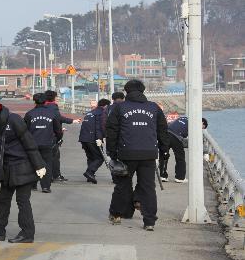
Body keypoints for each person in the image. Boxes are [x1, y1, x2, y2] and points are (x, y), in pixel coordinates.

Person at [0, 94, 46, 243]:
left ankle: (27, 233)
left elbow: (29, 143)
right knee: (3, 200)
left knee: (22, 201)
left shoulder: (13, 120)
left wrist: (39, 165)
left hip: (22, 165)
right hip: (5, 167)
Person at [106, 79, 169, 231]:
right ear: (143, 91)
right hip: (149, 152)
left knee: (123, 185)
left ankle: (117, 214)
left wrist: (112, 152)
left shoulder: (120, 108)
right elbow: (162, 130)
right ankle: (149, 221)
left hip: (127, 152)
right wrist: (164, 149)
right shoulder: (153, 107)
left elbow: (112, 131)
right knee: (148, 187)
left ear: (126, 91)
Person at [24, 92, 63, 193]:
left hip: (33, 144)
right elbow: (58, 130)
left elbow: (24, 130)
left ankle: (33, 184)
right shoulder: (52, 113)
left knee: (33, 163)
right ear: (46, 101)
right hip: (47, 143)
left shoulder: (29, 114)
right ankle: (45, 186)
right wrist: (58, 139)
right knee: (47, 165)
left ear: (34, 101)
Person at [158, 116, 209, 183]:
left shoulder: (183, 118)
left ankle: (163, 176)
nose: (201, 129)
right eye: (202, 127)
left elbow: (171, 123)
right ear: (202, 123)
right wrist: (205, 152)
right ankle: (180, 177)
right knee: (180, 157)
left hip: (166, 134)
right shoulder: (195, 124)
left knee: (164, 155)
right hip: (176, 137)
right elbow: (197, 141)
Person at [44, 90, 80, 182]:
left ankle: (45, 176)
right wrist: (73, 121)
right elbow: (58, 118)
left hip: (42, 135)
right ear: (53, 98)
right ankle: (55, 176)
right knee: (54, 157)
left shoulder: (41, 106)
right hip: (51, 137)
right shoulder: (53, 107)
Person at [79, 98, 111, 184]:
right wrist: (100, 138)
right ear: (105, 106)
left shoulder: (90, 113)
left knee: (91, 157)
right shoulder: (101, 113)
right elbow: (99, 127)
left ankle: (90, 176)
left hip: (84, 138)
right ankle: (89, 172)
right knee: (99, 158)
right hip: (93, 138)